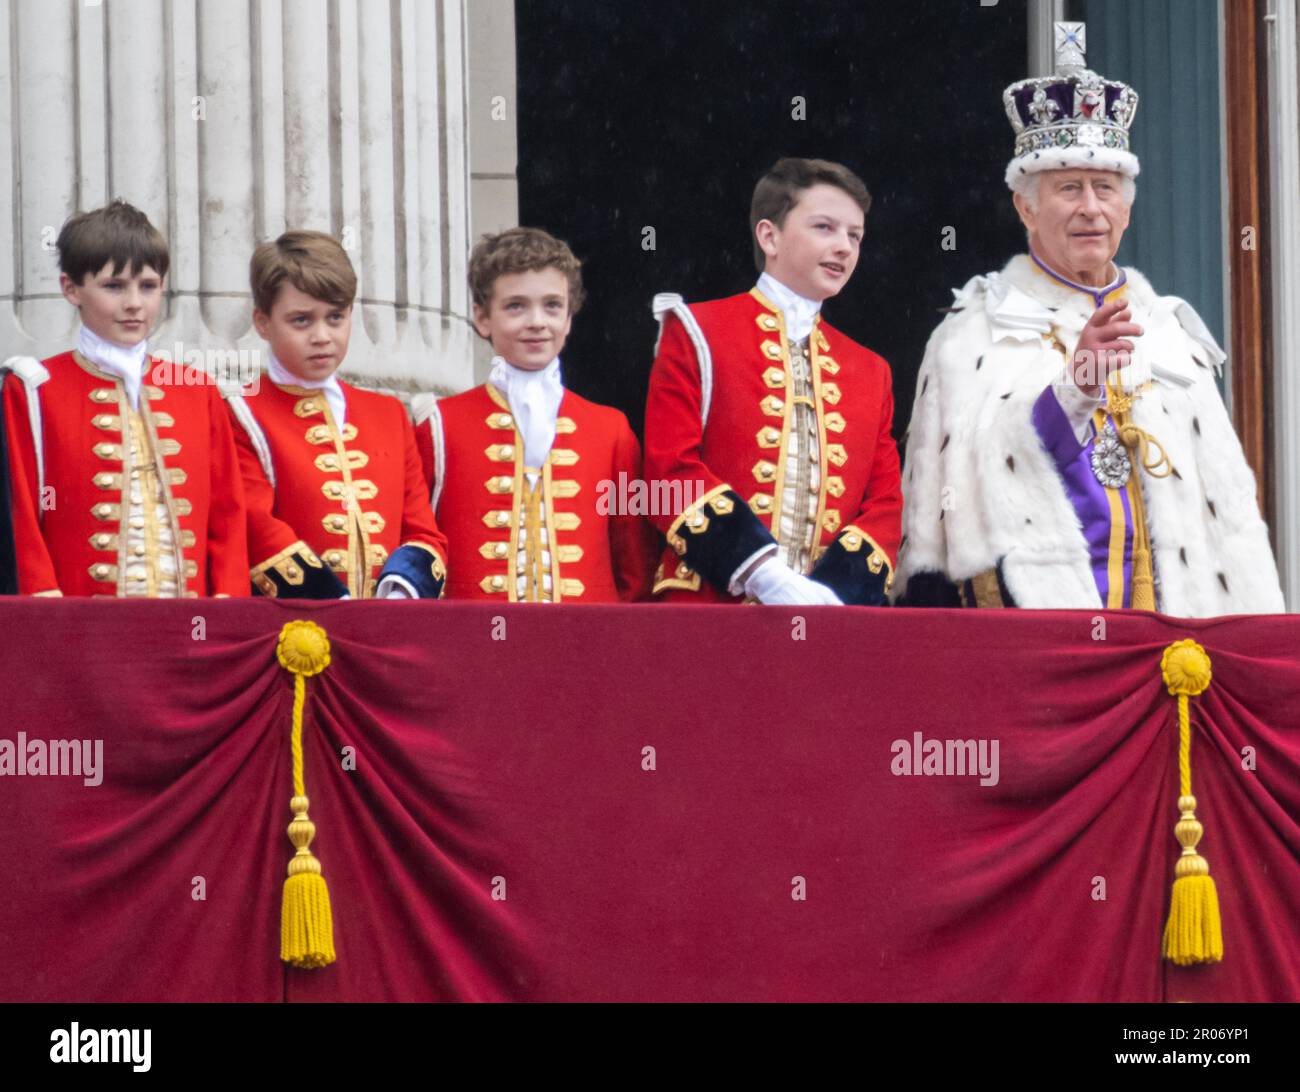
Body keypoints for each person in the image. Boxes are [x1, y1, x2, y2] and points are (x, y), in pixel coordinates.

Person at [895, 35, 1284, 615]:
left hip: (1173, 636)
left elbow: (1228, 523)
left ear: (1127, 208)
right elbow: (960, 506)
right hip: (1044, 637)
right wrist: (1071, 393)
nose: (1091, 208)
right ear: (1025, 207)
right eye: (1068, 188)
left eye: (1105, 188)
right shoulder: (971, 332)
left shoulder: (1170, 333)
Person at [642, 157, 902, 605]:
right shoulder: (697, 331)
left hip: (830, 619)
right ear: (769, 236)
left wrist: (830, 595)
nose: (844, 247)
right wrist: (761, 573)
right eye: (824, 227)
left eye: (854, 236)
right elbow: (669, 473)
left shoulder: (870, 370)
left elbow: (886, 505)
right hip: (708, 612)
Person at [0, 200, 248, 597]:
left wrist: (227, 604)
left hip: (190, 622)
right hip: (81, 626)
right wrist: (45, 612)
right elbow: (21, 517)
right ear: (71, 288)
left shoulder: (196, 389)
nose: (134, 303)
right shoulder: (33, 389)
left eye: (147, 286)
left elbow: (228, 514)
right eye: (114, 286)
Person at [412, 227, 656, 602]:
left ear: (569, 318)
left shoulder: (611, 430)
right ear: (482, 317)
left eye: (552, 305)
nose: (537, 321)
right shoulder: (439, 425)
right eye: (516, 306)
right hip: (471, 636)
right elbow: (419, 545)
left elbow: (635, 568)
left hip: (586, 636)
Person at [224, 230, 449, 599]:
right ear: (263, 323)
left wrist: (397, 597)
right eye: (301, 320)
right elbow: (256, 526)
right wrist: (336, 605)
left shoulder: (390, 415)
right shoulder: (241, 411)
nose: (322, 336)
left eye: (335, 317)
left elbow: (423, 532)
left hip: (387, 622)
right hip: (290, 622)